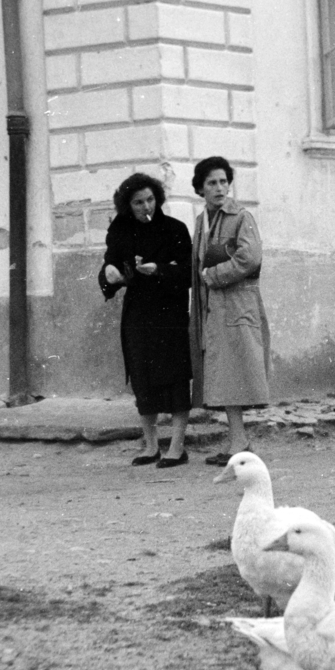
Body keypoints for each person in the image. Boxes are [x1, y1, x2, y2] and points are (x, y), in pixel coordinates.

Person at [100, 173, 194, 467]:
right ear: (128, 205)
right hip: (138, 313)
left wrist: (162, 270)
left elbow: (189, 272)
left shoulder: (175, 229)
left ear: (158, 199)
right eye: (138, 202)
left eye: (150, 199)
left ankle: (177, 447)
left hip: (170, 313)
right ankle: (150, 446)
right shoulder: (120, 229)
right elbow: (110, 263)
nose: (146, 206)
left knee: (176, 378)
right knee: (142, 378)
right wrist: (109, 275)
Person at [191, 156, 271, 466]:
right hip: (213, 307)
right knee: (225, 375)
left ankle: (240, 440)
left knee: (237, 371)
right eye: (212, 182)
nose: (219, 187)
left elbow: (250, 258)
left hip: (237, 304)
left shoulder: (241, 217)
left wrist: (213, 276)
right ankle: (239, 440)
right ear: (200, 188)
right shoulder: (203, 222)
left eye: (223, 181)